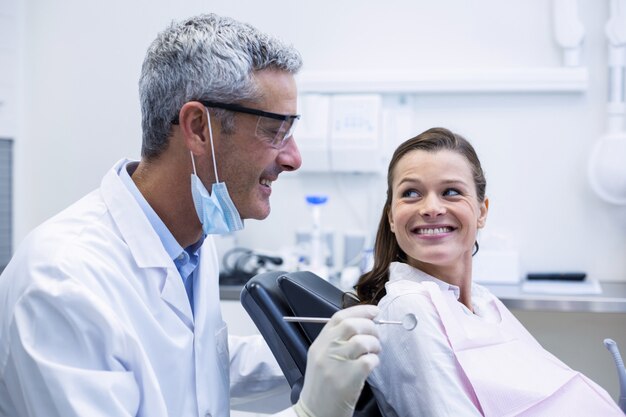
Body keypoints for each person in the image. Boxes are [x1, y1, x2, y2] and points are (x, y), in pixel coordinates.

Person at [0, 13, 381, 417]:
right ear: (198, 127)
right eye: (275, 131)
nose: (293, 158)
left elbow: (199, 366)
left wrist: (328, 352)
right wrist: (308, 413)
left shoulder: (189, 244)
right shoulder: (62, 283)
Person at [354, 127, 623, 416]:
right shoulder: (409, 308)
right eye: (411, 193)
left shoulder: (484, 302)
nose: (431, 207)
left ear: (482, 211)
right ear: (392, 217)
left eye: (451, 192)